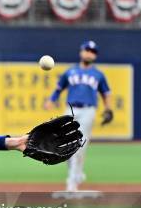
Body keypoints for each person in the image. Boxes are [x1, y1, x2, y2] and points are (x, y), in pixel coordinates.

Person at [43, 41, 112, 191]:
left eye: (92, 51)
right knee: (65, 145)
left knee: (79, 145)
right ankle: (77, 173)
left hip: (88, 111)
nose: (89, 53)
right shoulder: (70, 72)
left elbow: (106, 93)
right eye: (87, 50)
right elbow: (58, 89)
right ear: (81, 52)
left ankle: (72, 183)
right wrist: (51, 100)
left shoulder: (98, 75)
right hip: (71, 110)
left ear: (95, 56)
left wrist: (108, 109)